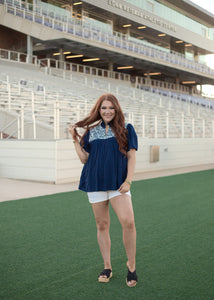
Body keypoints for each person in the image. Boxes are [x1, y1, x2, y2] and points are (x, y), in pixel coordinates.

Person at [69, 93, 138, 287]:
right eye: (103, 108)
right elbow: (84, 159)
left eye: (111, 108)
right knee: (102, 225)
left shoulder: (127, 129)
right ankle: (107, 266)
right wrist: (74, 139)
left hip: (118, 184)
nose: (107, 111)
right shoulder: (91, 131)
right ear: (98, 110)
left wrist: (128, 181)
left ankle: (131, 266)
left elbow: (131, 157)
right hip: (95, 182)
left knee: (128, 222)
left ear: (116, 110)